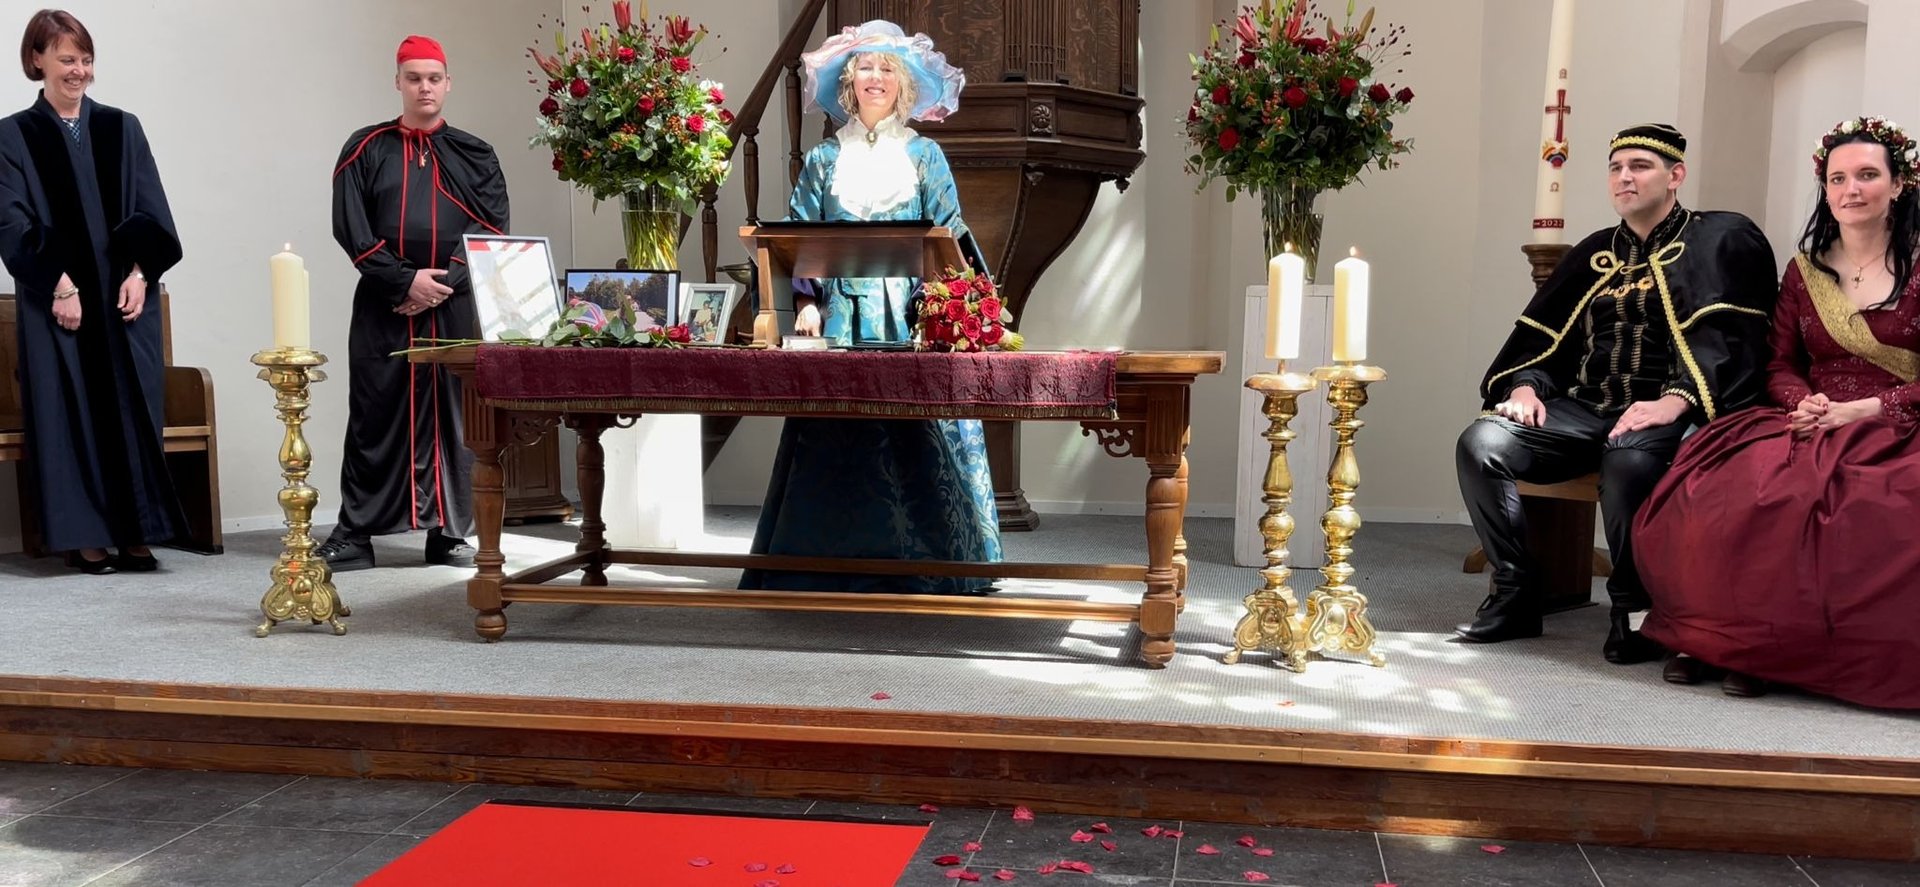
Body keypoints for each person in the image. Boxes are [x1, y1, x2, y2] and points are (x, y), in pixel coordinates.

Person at [1454, 124, 1777, 662]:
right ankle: (1516, 592)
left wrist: (1676, 400)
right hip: (1584, 410)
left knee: (1626, 462)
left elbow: (1735, 339)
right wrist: (1528, 387)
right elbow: (1544, 345)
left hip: (1671, 411)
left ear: (1676, 175)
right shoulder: (1593, 253)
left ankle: (1632, 607)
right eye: (1615, 168)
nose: (1625, 177)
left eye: (1641, 166)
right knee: (1481, 442)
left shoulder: (1718, 237)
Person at [1634, 117, 1920, 708]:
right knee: (1725, 487)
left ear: (1898, 185)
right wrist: (1805, 403)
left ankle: (1779, 656)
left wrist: (1867, 407)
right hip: (1810, 417)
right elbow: (1779, 364)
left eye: (1868, 175)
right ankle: (1722, 644)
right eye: (1838, 178)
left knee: (1869, 507)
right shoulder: (1805, 270)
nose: (1852, 189)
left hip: (1899, 421)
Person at [738, 20, 1000, 593]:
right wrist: (806, 302)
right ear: (847, 82)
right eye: (864, 67)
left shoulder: (927, 156)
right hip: (839, 312)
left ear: (902, 84)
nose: (874, 77)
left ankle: (936, 563)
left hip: (910, 311)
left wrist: (952, 308)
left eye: (886, 68)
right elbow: (799, 236)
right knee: (837, 428)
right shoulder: (824, 159)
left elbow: (950, 235)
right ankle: (824, 560)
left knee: (917, 424)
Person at [0, 9, 184, 575]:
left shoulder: (121, 127)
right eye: (65, 59)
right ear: (37, 61)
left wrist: (139, 274)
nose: (78, 71)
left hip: (123, 302)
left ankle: (137, 532)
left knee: (133, 409)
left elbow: (151, 209)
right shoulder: (14, 135)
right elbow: (9, 219)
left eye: (84, 59)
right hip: (60, 304)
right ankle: (88, 539)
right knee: (69, 413)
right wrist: (59, 284)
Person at [318, 35, 508, 572]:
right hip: (384, 305)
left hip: (452, 304)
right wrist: (402, 283)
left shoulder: (476, 153)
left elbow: (491, 226)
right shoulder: (365, 148)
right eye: (413, 78)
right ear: (398, 83)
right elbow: (350, 227)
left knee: (455, 416)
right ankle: (355, 534)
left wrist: (438, 284)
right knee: (374, 414)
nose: (424, 87)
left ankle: (449, 534)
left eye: (433, 78)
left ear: (448, 83)